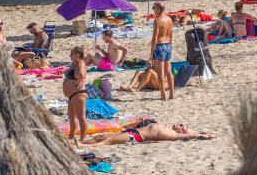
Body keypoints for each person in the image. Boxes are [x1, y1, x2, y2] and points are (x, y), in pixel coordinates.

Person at [79, 120, 214, 145]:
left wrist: (202, 136)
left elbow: (189, 135)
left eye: (182, 126)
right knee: (101, 136)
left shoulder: (172, 135)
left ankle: (84, 146)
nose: (179, 124)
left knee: (108, 141)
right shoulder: (165, 127)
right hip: (133, 131)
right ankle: (81, 142)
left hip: (136, 137)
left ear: (181, 131)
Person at [63, 46, 89, 145]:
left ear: (77, 55)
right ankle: (71, 136)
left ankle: (83, 138)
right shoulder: (75, 63)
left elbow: (82, 75)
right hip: (72, 94)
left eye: (71, 54)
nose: (70, 55)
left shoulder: (80, 63)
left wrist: (79, 81)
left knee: (81, 117)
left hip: (78, 94)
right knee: (71, 116)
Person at [150, 2, 174, 102]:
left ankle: (163, 95)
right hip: (168, 45)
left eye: (154, 8)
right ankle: (172, 94)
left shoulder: (157, 20)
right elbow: (171, 35)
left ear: (159, 9)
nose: (153, 10)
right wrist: (170, 45)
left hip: (159, 46)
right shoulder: (169, 19)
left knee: (160, 73)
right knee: (168, 71)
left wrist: (151, 53)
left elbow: (155, 38)